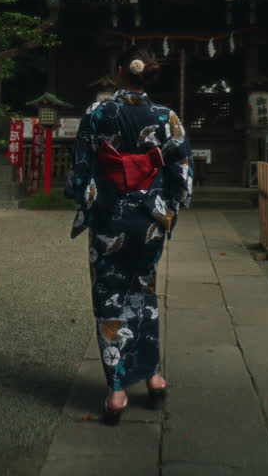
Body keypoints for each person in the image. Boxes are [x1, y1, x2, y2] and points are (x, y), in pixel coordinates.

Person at [67, 44, 193, 425]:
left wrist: (83, 197)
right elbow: (181, 170)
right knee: (143, 291)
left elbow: (81, 171)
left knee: (110, 296)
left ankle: (118, 392)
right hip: (151, 218)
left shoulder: (98, 112)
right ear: (149, 74)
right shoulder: (166, 115)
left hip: (110, 217)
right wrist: (168, 208)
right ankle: (153, 377)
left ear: (120, 71)